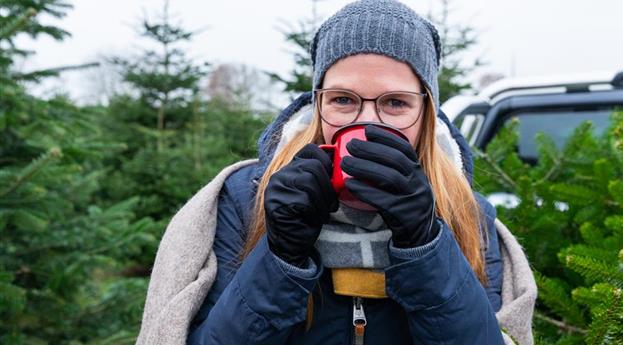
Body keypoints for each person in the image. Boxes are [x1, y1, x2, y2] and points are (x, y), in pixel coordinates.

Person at [135, 1, 537, 345]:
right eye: (343, 99)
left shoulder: (466, 211)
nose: (368, 122)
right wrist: (279, 256)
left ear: (426, 113)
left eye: (395, 103)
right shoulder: (248, 198)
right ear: (318, 103)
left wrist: (426, 244)